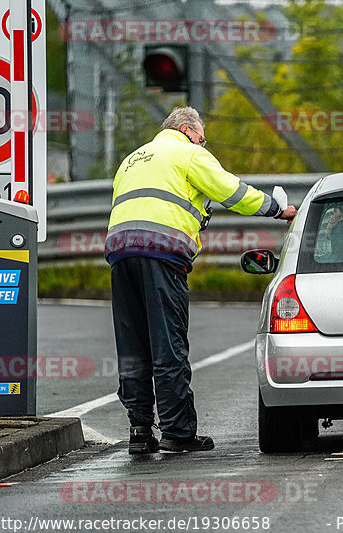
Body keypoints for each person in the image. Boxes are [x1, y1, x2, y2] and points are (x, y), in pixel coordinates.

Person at [105, 107, 296, 454]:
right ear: (186, 129)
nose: (203, 144)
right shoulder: (188, 152)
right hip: (161, 254)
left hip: (120, 253)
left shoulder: (132, 159)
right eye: (202, 138)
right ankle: (178, 433)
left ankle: (139, 430)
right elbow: (231, 191)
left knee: (132, 344)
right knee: (167, 344)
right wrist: (276, 209)